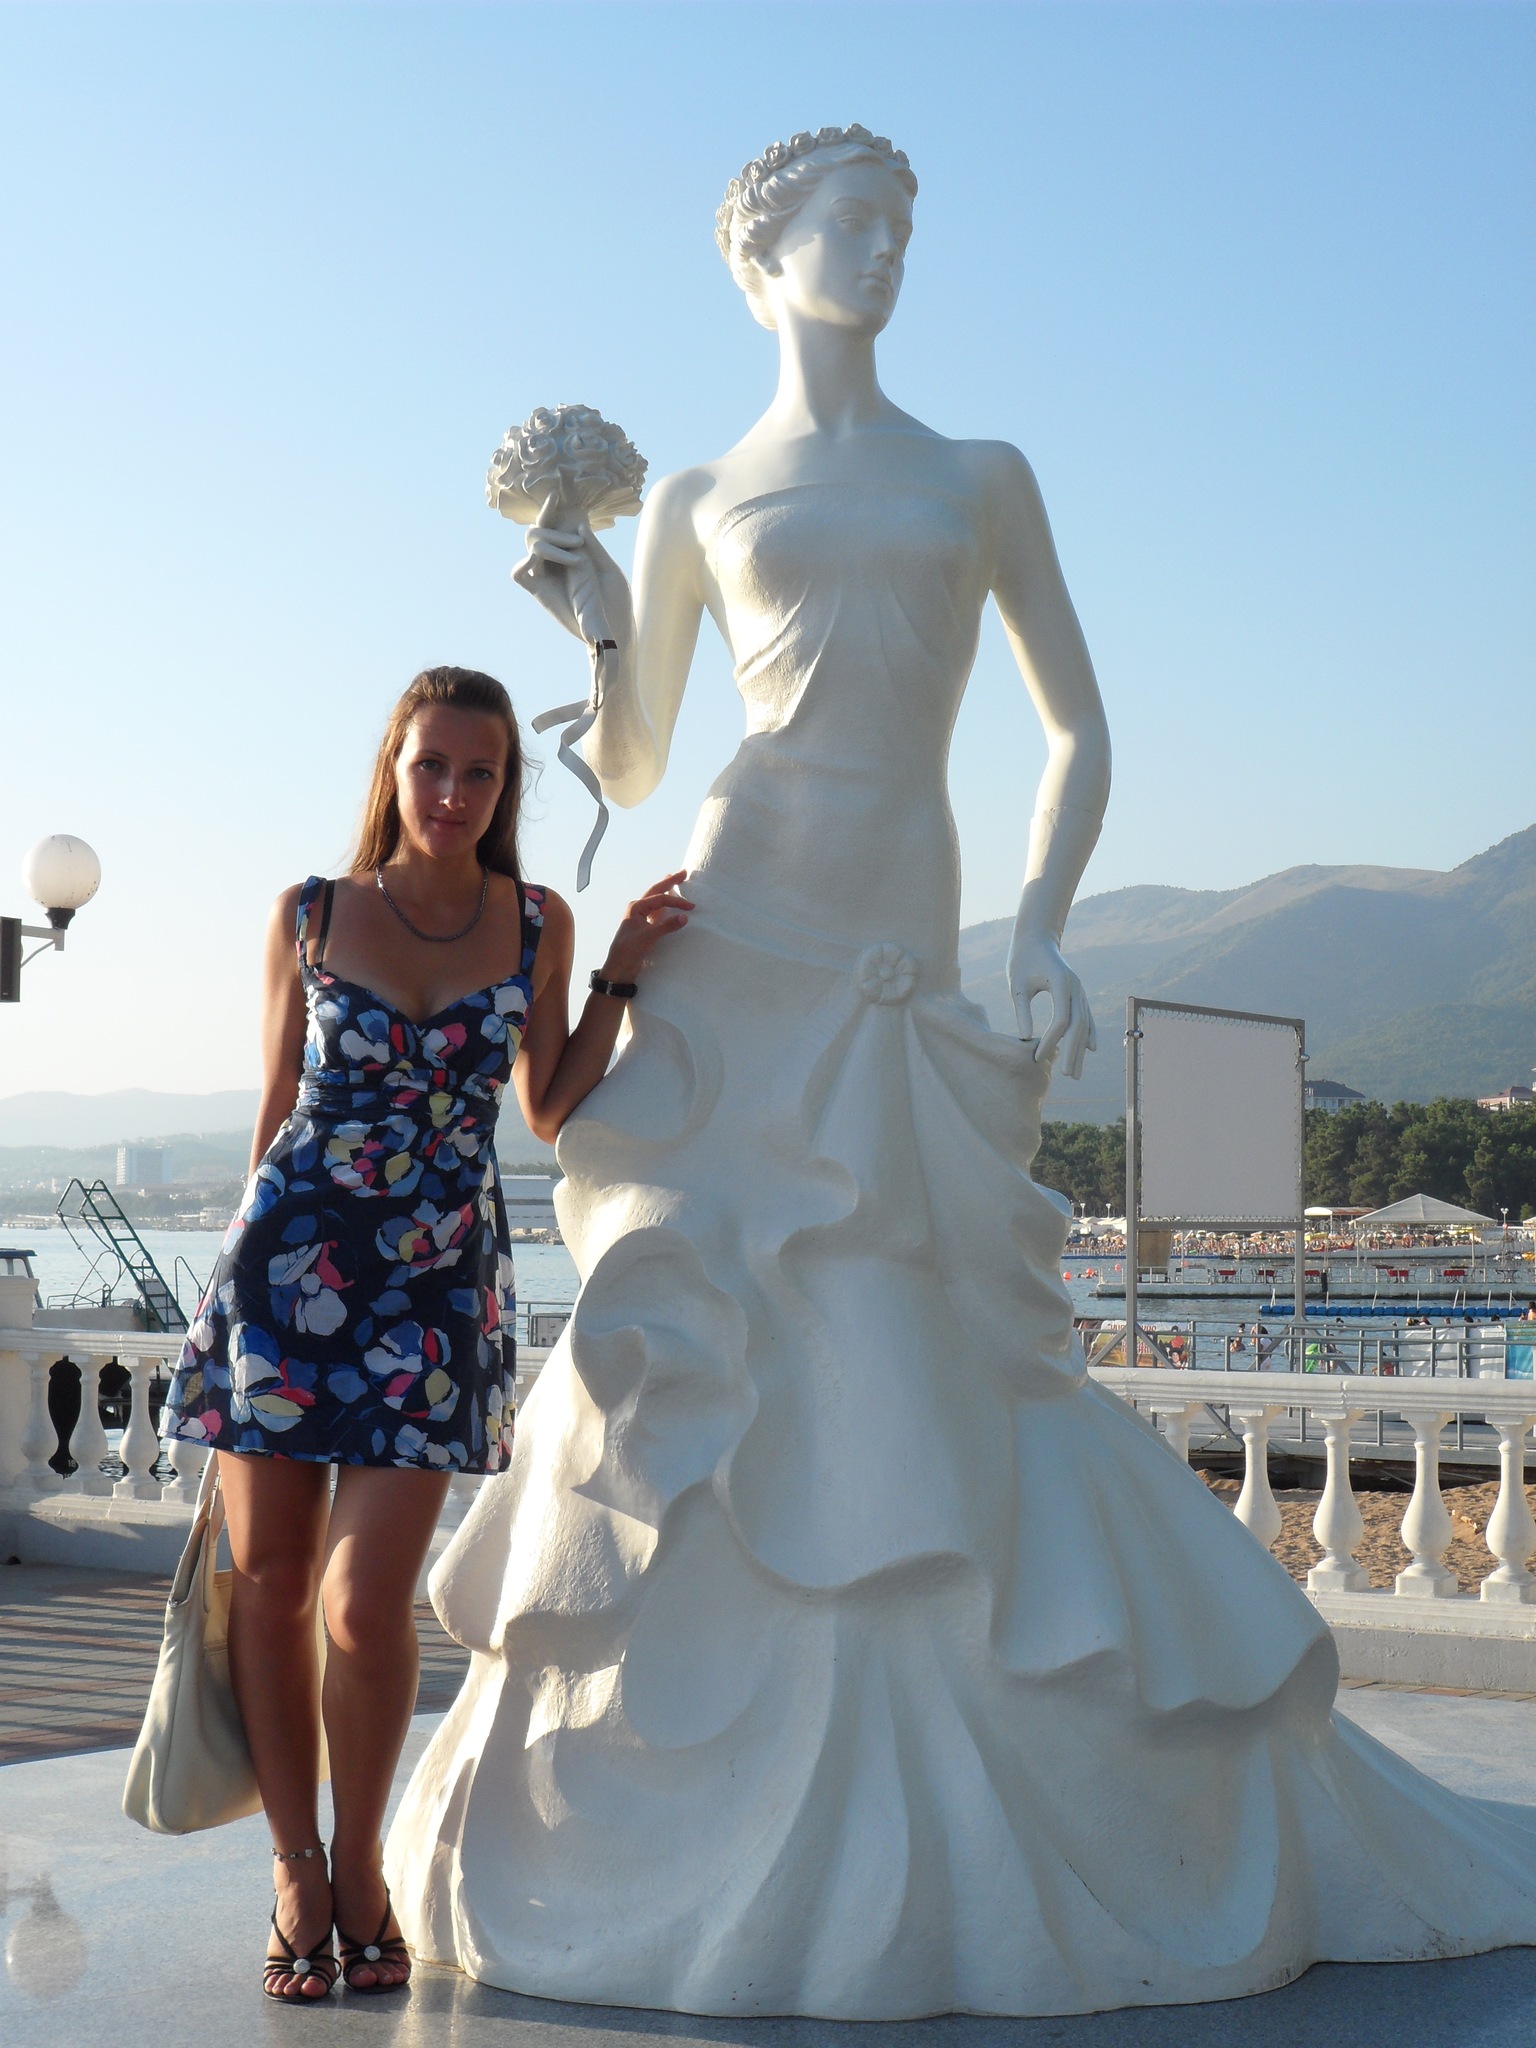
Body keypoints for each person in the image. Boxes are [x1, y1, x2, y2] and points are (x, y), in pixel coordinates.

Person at [386, 133, 1536, 2019]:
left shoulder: (979, 473)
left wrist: (1047, 925)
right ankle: (673, 1808)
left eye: (902, 225)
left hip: (899, 930)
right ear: (760, 256)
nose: (884, 250)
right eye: (849, 221)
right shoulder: (702, 492)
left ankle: (972, 1799)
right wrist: (586, 592)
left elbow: (1078, 726)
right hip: (743, 917)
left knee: (925, 1319)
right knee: (727, 1309)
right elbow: (644, 753)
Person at [160, 666, 688, 2002]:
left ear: (505, 788)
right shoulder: (309, 913)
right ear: (392, 767)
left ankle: (363, 1864)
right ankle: (297, 1869)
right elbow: (275, 1109)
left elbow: (549, 1105)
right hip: (285, 1274)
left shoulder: (537, 922)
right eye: (432, 765)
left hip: (434, 1295)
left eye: (481, 772)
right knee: (274, 1586)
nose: (453, 792)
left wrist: (619, 976)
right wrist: (230, 1297)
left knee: (363, 1604)